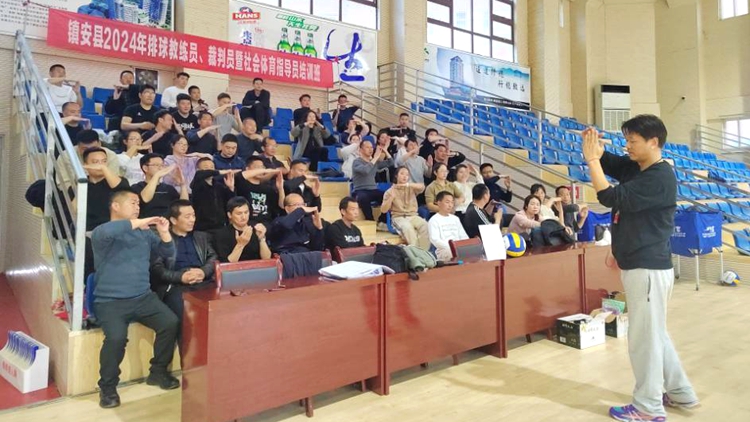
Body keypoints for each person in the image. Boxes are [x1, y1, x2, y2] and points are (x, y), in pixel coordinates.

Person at [582, 115, 698, 421]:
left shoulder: (659, 178)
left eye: (632, 141)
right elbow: (612, 163)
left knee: (644, 339)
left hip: (647, 268)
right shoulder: (638, 167)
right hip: (642, 265)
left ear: (653, 142)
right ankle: (681, 392)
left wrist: (591, 160)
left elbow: (610, 197)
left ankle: (648, 407)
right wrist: (595, 150)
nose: (627, 146)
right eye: (626, 140)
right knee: (654, 334)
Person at [91, 191, 179, 409]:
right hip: (110, 302)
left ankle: (158, 372)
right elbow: (114, 229)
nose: (138, 207)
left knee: (170, 323)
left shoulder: (143, 233)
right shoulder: (102, 232)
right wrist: (143, 222)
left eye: (139, 203)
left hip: (143, 297)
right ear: (115, 206)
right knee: (116, 338)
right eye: (133, 203)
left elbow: (168, 252)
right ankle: (108, 388)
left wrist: (164, 233)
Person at [150, 200, 217, 343]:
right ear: (174, 220)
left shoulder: (201, 237)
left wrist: (203, 272)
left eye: (193, 215)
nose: (192, 219)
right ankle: (188, 355)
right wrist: (181, 277)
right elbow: (157, 269)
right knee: (185, 321)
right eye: (187, 216)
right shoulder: (162, 238)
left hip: (203, 282)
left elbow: (213, 258)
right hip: (176, 286)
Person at [380, 167, 430, 250]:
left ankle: (424, 252)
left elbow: (422, 187)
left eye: (407, 175)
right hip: (398, 217)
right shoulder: (389, 191)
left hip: (413, 216)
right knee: (407, 227)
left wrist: (407, 185)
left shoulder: (411, 187)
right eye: (402, 173)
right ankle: (416, 252)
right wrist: (391, 198)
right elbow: (383, 210)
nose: (405, 176)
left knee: (425, 225)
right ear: (396, 176)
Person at [212, 197, 271, 263]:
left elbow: (267, 259)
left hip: (257, 267)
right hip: (235, 269)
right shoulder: (221, 234)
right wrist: (240, 245)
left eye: (246, 212)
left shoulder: (256, 228)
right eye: (239, 213)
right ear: (229, 215)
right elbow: (226, 264)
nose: (243, 217)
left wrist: (261, 239)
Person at [131, 153, 189, 218]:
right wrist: (157, 176)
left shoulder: (168, 188)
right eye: (156, 165)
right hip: (147, 222)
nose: (160, 168)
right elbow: (145, 199)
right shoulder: (137, 187)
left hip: (167, 222)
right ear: (145, 168)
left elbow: (184, 206)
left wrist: (183, 184)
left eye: (162, 165)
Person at [58, 130, 122, 186]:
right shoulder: (66, 156)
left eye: (94, 148)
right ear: (78, 146)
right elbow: (64, 183)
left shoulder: (111, 156)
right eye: (84, 149)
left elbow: (115, 180)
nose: (90, 152)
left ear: (99, 144)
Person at [235, 156, 285, 225]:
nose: (261, 169)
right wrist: (266, 170)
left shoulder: (268, 188)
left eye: (262, 167)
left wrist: (280, 188)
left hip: (267, 224)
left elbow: (282, 206)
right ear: (247, 169)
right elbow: (241, 175)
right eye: (257, 167)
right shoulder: (242, 184)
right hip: (247, 223)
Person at [190, 158, 236, 232]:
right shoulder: (197, 184)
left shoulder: (219, 186)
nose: (210, 170)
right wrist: (221, 171)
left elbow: (230, 202)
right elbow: (199, 175)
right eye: (206, 167)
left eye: (212, 167)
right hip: (202, 229)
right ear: (198, 170)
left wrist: (231, 188)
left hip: (220, 227)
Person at [352, 141, 394, 221]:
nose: (370, 149)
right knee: (363, 198)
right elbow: (365, 170)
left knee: (388, 196)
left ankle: (382, 220)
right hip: (360, 190)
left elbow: (391, 163)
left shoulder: (375, 162)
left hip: (373, 189)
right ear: (361, 150)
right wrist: (375, 158)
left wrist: (385, 150)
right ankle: (370, 220)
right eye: (367, 147)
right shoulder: (356, 162)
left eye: (371, 147)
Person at [428, 191, 468, 261]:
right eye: (447, 202)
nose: (450, 205)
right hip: (444, 251)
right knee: (452, 252)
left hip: (459, 247)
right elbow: (435, 240)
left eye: (452, 202)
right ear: (439, 203)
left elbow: (463, 235)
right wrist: (452, 247)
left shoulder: (455, 218)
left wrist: (465, 245)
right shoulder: (434, 220)